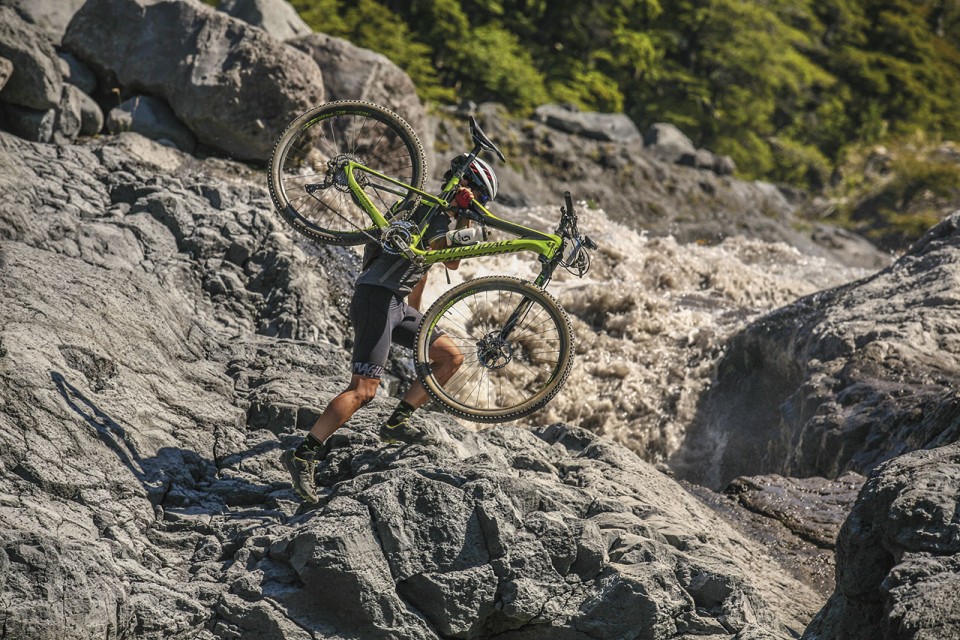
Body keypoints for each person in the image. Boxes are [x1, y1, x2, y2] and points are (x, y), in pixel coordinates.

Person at [280, 155, 500, 502]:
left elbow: (440, 262)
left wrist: (415, 317)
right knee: (364, 390)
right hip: (377, 299)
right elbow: (446, 251)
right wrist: (471, 227)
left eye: (481, 203)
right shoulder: (427, 209)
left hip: (396, 305)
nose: (477, 206)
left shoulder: (440, 216)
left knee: (451, 358)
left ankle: (396, 423)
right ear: (464, 187)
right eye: (479, 198)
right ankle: (303, 454)